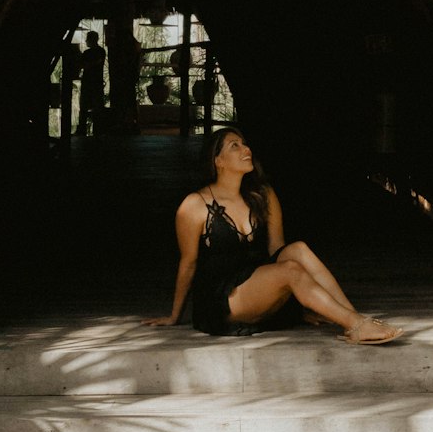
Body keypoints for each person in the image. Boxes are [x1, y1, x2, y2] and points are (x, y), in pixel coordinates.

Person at [144, 126, 401, 344]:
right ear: (218, 161)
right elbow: (189, 263)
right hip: (225, 299)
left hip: (258, 284)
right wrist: (174, 315)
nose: (246, 150)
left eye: (245, 144)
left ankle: (353, 319)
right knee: (289, 269)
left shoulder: (262, 195)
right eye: (235, 146)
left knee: (296, 250)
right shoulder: (194, 205)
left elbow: (276, 249)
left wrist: (290, 297)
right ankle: (355, 324)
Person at [77, 31, 106, 137]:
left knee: (85, 107)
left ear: (91, 40)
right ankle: (97, 131)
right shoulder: (101, 51)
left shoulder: (87, 53)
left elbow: (83, 65)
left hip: (88, 83)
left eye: (87, 39)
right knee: (96, 108)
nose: (86, 41)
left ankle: (82, 130)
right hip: (96, 83)